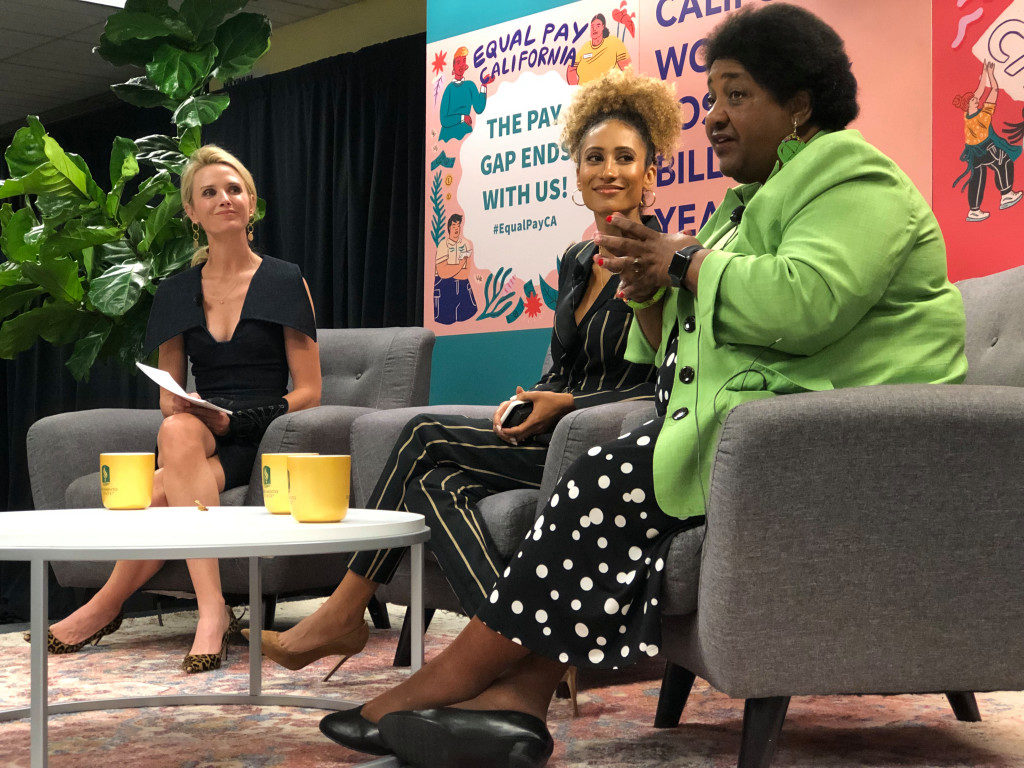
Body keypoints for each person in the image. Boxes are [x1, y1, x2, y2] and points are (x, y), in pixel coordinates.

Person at [315, 6, 969, 768]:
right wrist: (651, 288)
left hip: (840, 439)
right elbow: (672, 350)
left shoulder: (851, 172)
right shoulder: (747, 204)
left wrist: (682, 264)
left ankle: (439, 687)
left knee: (602, 484)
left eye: (736, 96)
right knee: (612, 489)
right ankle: (514, 705)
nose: (714, 118)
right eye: (713, 98)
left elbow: (806, 302)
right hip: (765, 431)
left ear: (799, 103)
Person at [250, 70, 681, 712]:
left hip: (602, 443)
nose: (609, 170)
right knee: (434, 484)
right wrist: (531, 397)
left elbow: (664, 385)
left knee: (422, 434)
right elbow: (561, 369)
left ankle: (344, 609)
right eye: (595, 157)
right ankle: (512, 655)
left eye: (626, 158)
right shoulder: (575, 262)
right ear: (577, 172)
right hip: (549, 430)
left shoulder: (670, 260)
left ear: (650, 175)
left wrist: (564, 406)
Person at [31, 146, 321, 674]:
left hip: (265, 432)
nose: (223, 199)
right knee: (180, 428)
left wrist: (242, 421)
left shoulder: (285, 279)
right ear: (191, 211)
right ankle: (212, 610)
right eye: (208, 192)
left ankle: (106, 604)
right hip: (200, 428)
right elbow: (168, 393)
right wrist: (196, 409)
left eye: (233, 189)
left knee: (162, 487)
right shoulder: (175, 291)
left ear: (251, 203)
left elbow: (308, 391)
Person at [953, 60, 1022, 222]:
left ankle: (974, 210)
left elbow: (979, 91)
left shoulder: (967, 115)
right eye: (974, 100)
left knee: (977, 177)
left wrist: (984, 73)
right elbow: (994, 90)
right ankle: (1006, 194)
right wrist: (991, 75)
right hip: (986, 149)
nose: (977, 99)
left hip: (973, 153)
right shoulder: (983, 116)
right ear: (970, 104)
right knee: (1004, 161)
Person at [433, 213, 478, 324]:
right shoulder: (443, 245)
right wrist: (461, 262)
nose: (456, 228)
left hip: (463, 289)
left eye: (458, 226)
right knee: (446, 321)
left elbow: (465, 274)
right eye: (454, 226)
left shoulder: (466, 244)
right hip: (445, 289)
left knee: (467, 320)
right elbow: (442, 273)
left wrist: (450, 269)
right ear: (449, 227)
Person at [439, 46, 488, 142]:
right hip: (448, 138)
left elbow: (479, 108)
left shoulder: (470, 85)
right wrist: (462, 117)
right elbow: (444, 120)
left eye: (464, 61)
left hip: (465, 135)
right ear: (453, 67)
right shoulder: (449, 89)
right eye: (458, 62)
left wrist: (484, 85)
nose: (461, 65)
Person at [567, 13, 631, 85]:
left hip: (607, 93)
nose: (594, 29)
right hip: (584, 93)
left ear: (603, 27)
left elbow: (627, 69)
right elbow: (571, 69)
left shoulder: (614, 42)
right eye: (592, 26)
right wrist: (575, 89)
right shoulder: (585, 47)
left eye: (598, 25)